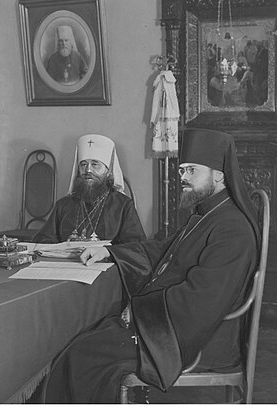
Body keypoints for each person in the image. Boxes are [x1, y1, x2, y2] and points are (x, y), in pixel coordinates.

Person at [44, 128, 260, 403]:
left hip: (198, 341)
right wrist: (110, 252)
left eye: (192, 170)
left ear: (218, 174)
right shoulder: (209, 213)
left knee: (82, 355)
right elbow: (164, 249)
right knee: (83, 340)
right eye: (182, 170)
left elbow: (204, 298)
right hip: (173, 326)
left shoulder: (232, 228)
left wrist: (137, 312)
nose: (183, 177)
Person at [32, 134, 145, 244]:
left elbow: (136, 247)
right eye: (83, 164)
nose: (88, 170)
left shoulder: (123, 206)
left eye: (95, 164)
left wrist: (106, 253)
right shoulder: (63, 205)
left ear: (108, 171)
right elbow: (43, 240)